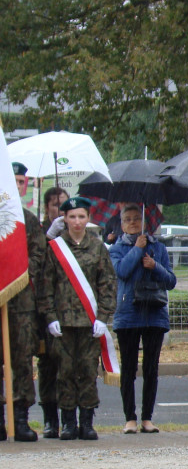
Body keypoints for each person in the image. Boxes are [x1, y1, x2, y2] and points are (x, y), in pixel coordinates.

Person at [39, 196, 117, 440]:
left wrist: (103, 317)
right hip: (62, 323)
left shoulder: (97, 247)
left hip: (89, 322)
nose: (76, 221)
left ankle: (87, 421)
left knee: (86, 370)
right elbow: (46, 286)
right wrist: (50, 317)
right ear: (64, 219)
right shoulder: (55, 248)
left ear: (88, 218)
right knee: (65, 372)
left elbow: (107, 284)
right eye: (71, 216)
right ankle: (68, 422)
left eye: (81, 216)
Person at [109, 203, 177, 434]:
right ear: (121, 224)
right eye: (127, 219)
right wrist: (137, 250)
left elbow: (170, 280)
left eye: (137, 218)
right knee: (128, 368)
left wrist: (154, 265)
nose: (133, 223)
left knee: (151, 368)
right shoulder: (116, 248)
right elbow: (121, 272)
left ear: (144, 222)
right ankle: (130, 418)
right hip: (128, 314)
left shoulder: (158, 248)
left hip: (154, 313)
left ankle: (147, 418)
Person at [0, 164, 45, 442]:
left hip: (21, 303)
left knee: (21, 362)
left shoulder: (28, 221)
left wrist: (16, 276)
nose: (17, 186)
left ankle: (20, 420)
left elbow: (38, 257)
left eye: (20, 181)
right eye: (11, 181)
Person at [37, 185, 70, 436]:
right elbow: (34, 264)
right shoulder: (40, 233)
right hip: (46, 309)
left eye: (64, 205)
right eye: (56, 205)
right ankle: (50, 418)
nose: (60, 211)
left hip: (71, 308)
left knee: (70, 365)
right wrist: (49, 237)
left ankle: (71, 416)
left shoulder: (77, 235)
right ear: (47, 208)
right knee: (48, 364)